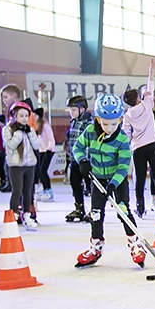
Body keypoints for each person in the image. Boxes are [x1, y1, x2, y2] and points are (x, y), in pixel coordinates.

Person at [73, 93, 145, 269]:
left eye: (114, 123)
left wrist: (113, 184)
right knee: (96, 214)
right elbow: (77, 147)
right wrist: (82, 161)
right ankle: (96, 247)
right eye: (105, 123)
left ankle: (136, 244)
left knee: (123, 211)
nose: (109, 128)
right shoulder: (90, 131)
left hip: (117, 182)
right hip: (97, 180)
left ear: (120, 120)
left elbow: (123, 166)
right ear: (97, 119)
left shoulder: (121, 139)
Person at [122, 60, 155, 217]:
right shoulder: (147, 104)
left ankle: (140, 206)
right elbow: (151, 85)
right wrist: (151, 69)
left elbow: (125, 134)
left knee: (139, 177)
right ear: (138, 98)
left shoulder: (127, 115)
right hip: (152, 145)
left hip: (138, 148)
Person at [3, 101, 42, 231]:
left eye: (26, 116)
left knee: (28, 190)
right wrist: (19, 133)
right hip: (15, 165)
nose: (24, 118)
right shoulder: (7, 129)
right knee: (17, 190)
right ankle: (13, 214)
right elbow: (10, 146)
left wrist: (30, 132)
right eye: (21, 116)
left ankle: (27, 215)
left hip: (29, 164)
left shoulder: (29, 129)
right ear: (14, 116)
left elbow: (37, 145)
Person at [65, 95, 94, 223]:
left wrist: (86, 159)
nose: (71, 113)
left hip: (87, 160)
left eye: (73, 110)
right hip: (75, 159)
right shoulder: (74, 121)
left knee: (91, 185)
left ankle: (95, 209)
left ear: (82, 110)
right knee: (74, 182)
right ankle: (79, 207)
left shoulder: (89, 123)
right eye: (70, 110)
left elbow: (89, 142)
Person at [33, 108, 56, 202]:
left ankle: (49, 191)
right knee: (38, 171)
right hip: (41, 150)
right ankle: (42, 190)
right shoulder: (36, 126)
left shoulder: (45, 125)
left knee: (43, 171)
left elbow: (51, 138)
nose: (33, 117)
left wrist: (49, 148)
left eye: (35, 115)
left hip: (48, 150)